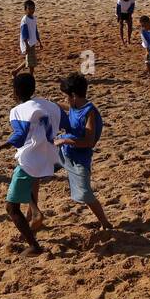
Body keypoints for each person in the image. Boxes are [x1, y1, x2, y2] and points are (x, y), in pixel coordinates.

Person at [0, 73, 62, 255]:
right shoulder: (48, 105)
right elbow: (66, 119)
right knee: (32, 180)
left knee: (11, 208)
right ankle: (34, 212)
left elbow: (19, 135)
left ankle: (34, 246)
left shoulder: (17, 111)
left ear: (15, 92)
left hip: (29, 161)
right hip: (49, 158)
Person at [55, 73, 113, 231]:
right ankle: (33, 214)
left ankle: (105, 223)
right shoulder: (75, 105)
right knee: (35, 170)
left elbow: (88, 142)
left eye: (65, 96)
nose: (65, 99)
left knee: (86, 194)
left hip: (79, 158)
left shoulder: (89, 112)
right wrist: (52, 104)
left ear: (73, 96)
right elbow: (67, 107)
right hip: (63, 152)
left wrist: (64, 140)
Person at [15, 0, 41, 76]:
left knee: (30, 59)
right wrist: (26, 45)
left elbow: (35, 30)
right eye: (29, 9)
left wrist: (39, 41)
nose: (31, 10)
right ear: (25, 10)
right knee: (31, 62)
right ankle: (31, 75)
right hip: (28, 43)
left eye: (33, 8)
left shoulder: (34, 18)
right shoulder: (25, 20)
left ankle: (16, 71)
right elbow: (24, 34)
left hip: (32, 42)